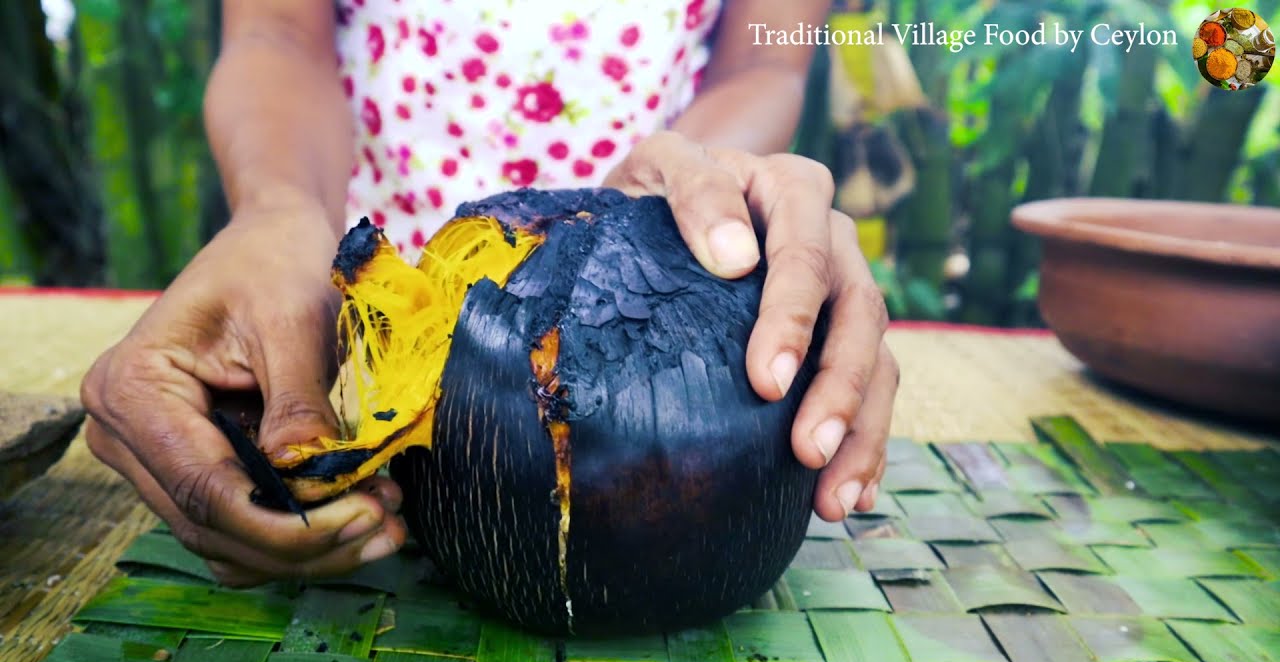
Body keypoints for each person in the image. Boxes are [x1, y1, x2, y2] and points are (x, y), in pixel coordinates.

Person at [80, 0, 899, 587]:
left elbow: (766, 54)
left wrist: (713, 189)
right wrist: (279, 213)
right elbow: (274, 31)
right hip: (370, 303)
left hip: (664, 274)